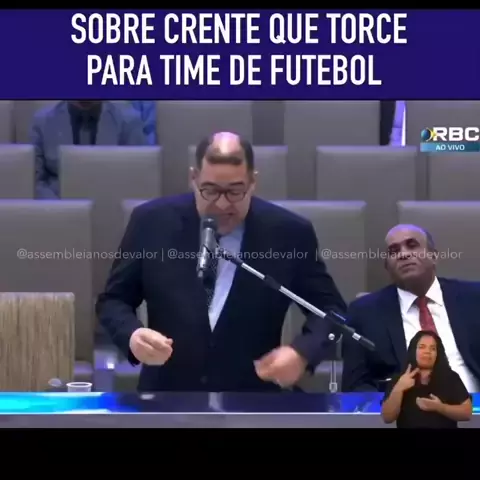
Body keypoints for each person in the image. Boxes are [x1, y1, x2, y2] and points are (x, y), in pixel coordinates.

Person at [96, 131, 346, 392]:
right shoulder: (151, 223)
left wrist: (302, 353)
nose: (222, 204)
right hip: (167, 396)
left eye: (235, 191)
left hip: (253, 399)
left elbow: (332, 310)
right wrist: (133, 335)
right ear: (194, 178)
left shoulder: (288, 233)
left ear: (253, 182)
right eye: (211, 190)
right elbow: (113, 301)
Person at [342, 223, 480, 393]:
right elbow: (355, 386)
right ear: (387, 266)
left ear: (433, 256)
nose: (404, 254)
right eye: (394, 251)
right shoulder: (365, 313)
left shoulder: (474, 298)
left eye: (412, 245)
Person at [31, 100, 148, 199]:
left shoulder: (129, 121)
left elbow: (138, 178)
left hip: (113, 203)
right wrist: (57, 208)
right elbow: (34, 180)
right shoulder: (42, 122)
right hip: (58, 206)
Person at [381, 330, 472, 428]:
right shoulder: (399, 379)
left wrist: (440, 407)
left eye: (433, 348)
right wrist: (399, 388)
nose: (427, 351)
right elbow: (387, 418)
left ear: (437, 354)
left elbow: (467, 413)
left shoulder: (451, 377)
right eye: (422, 347)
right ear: (413, 351)